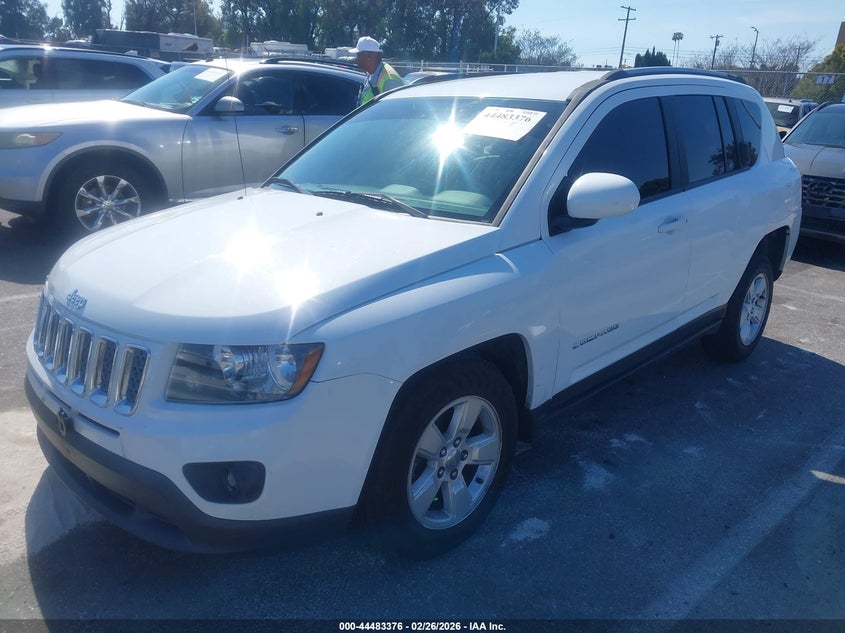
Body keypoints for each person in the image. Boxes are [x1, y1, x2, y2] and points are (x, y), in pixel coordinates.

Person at [350, 36, 404, 105]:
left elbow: (394, 111)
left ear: (369, 57)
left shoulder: (390, 80)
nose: (356, 59)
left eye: (358, 55)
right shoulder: (371, 73)